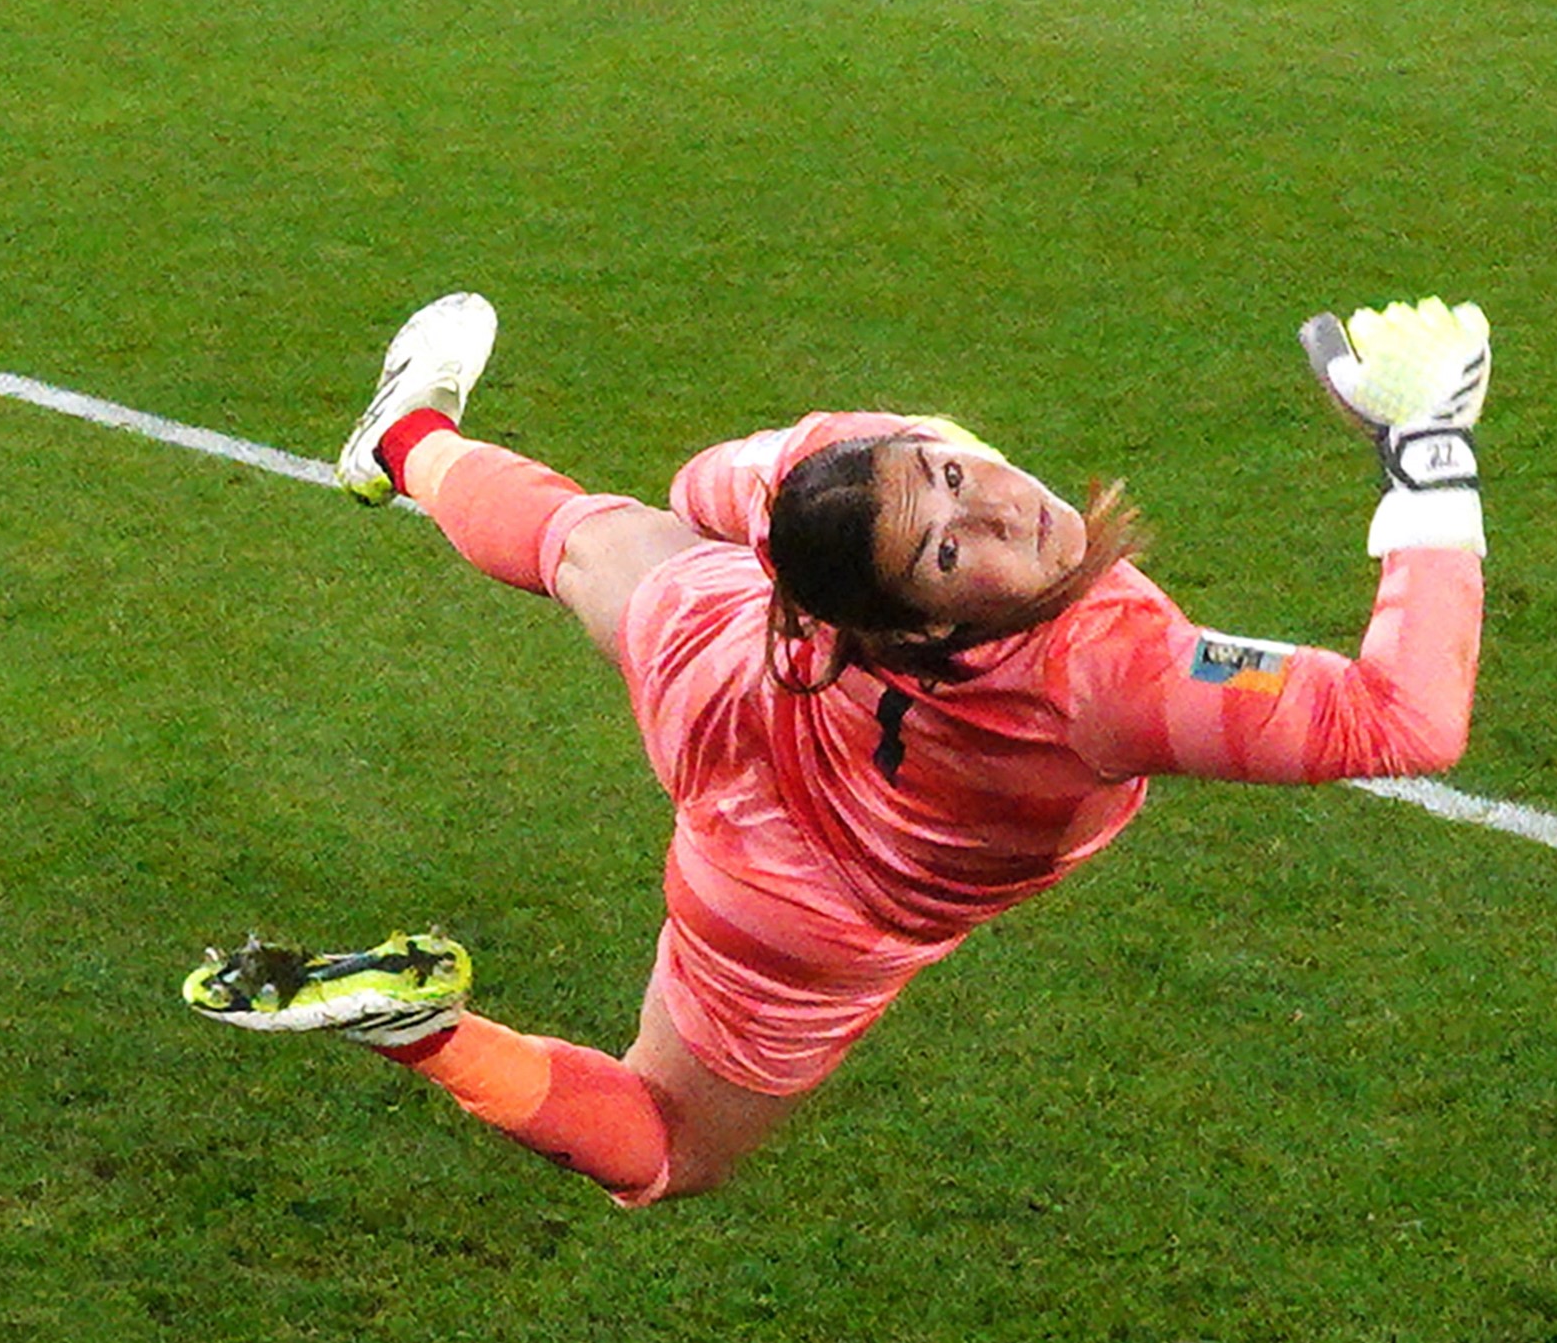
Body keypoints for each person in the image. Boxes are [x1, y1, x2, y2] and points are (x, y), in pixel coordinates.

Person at [185, 289, 1490, 1207]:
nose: (997, 505)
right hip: (812, 902)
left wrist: (817, 528)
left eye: (952, 476)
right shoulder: (1107, 673)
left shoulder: (835, 470)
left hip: (738, 677)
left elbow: (708, 488)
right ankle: (421, 1031)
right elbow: (1406, 720)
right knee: (664, 1147)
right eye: (943, 544)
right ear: (912, 617)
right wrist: (1425, 452)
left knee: (591, 537)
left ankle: (406, 440)